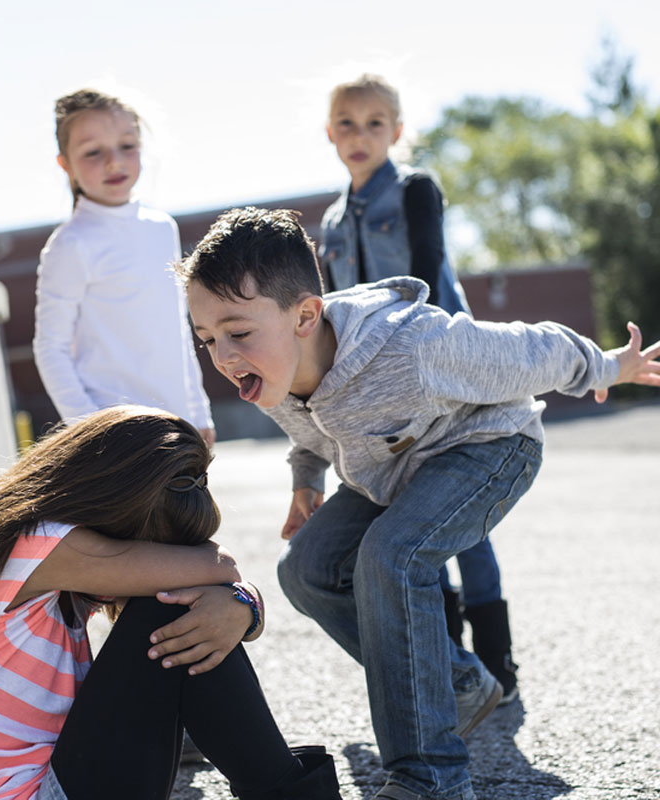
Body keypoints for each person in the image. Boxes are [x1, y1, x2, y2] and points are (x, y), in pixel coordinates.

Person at [176, 206, 660, 800]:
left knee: (392, 555)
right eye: (207, 339)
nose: (223, 356)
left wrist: (609, 365)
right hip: (391, 471)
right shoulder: (270, 372)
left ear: (305, 315)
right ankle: (456, 685)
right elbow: (309, 435)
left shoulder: (413, 347)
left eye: (238, 332)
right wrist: (307, 482)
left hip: (489, 448)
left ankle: (431, 778)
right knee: (304, 570)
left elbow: (532, 350)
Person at [0, 405, 343, 800]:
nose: (154, 564)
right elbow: (219, 566)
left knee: (186, 608)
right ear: (116, 507)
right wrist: (239, 599)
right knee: (172, 607)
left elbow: (221, 579)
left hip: (44, 781)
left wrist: (243, 605)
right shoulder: (34, 544)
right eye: (152, 548)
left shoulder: (23, 543)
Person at [320, 73, 516, 701]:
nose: (360, 135)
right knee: (411, 520)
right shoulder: (329, 220)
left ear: (397, 132)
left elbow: (428, 276)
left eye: (375, 123)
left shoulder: (414, 191)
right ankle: (456, 668)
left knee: (465, 524)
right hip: (379, 393)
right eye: (347, 123)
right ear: (330, 133)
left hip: (443, 374)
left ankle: (498, 662)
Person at [33, 88, 215, 447]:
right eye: (93, 152)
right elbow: (49, 347)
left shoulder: (162, 227)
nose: (114, 162)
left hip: (178, 427)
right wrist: (91, 428)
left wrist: (199, 411)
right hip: (116, 438)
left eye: (127, 146)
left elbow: (178, 329)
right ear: (65, 164)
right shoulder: (71, 244)